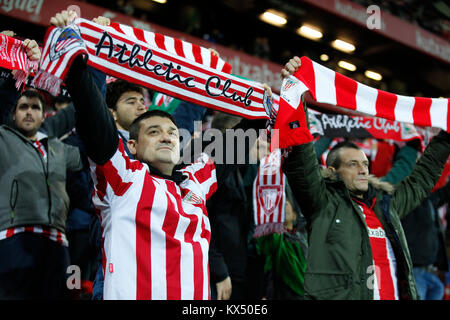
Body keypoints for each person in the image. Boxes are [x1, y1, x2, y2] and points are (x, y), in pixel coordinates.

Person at [280, 56, 450, 300]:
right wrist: (295, 96)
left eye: (364, 164)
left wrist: (446, 134)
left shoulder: (386, 204)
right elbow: (302, 160)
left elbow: (421, 179)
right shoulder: (323, 203)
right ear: (333, 170)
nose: (362, 169)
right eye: (353, 164)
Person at [0, 71, 83, 298]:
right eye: (23, 107)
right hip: (13, 239)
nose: (29, 112)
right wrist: (10, 75)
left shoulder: (59, 148)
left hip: (57, 241)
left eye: (35, 107)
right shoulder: (3, 138)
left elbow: (83, 112)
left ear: (44, 115)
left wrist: (88, 73)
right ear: (13, 114)